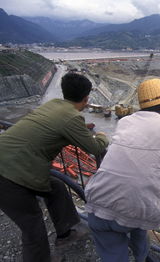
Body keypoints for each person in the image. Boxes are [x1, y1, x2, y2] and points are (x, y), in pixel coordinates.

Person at [0, 72, 109, 262]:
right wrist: (103, 136)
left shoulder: (52, 105)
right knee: (32, 226)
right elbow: (95, 147)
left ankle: (66, 233)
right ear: (86, 98)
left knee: (56, 186)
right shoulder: (72, 118)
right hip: (8, 174)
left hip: (11, 160)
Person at [85, 78, 160, 262]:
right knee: (139, 222)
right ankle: (142, 257)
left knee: (112, 253)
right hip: (139, 209)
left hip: (97, 202)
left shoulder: (124, 122)